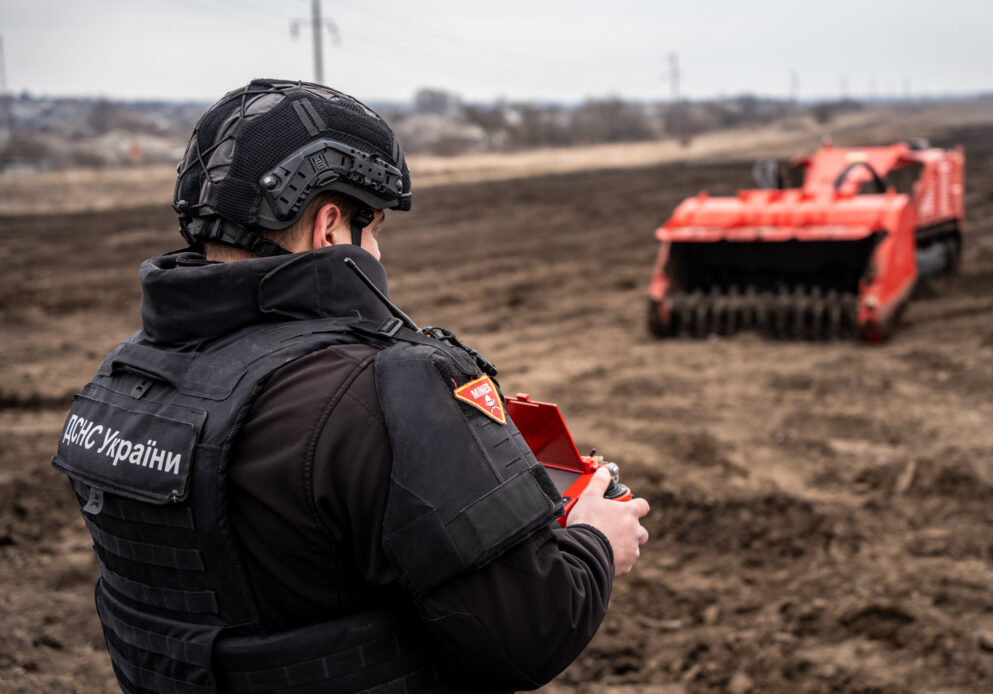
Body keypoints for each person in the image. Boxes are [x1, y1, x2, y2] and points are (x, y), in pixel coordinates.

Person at [52, 79, 650, 694]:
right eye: (376, 227)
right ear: (331, 226)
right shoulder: (384, 391)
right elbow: (528, 633)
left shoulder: (122, 382)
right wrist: (596, 543)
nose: (379, 252)